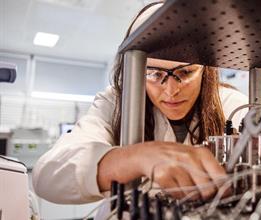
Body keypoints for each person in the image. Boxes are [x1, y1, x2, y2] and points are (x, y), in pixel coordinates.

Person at [32, 2, 248, 204]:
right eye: (154, 73)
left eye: (185, 72)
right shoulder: (115, 102)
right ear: (135, 69)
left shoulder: (230, 104)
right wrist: (137, 157)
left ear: (206, 70)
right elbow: (48, 175)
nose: (171, 90)